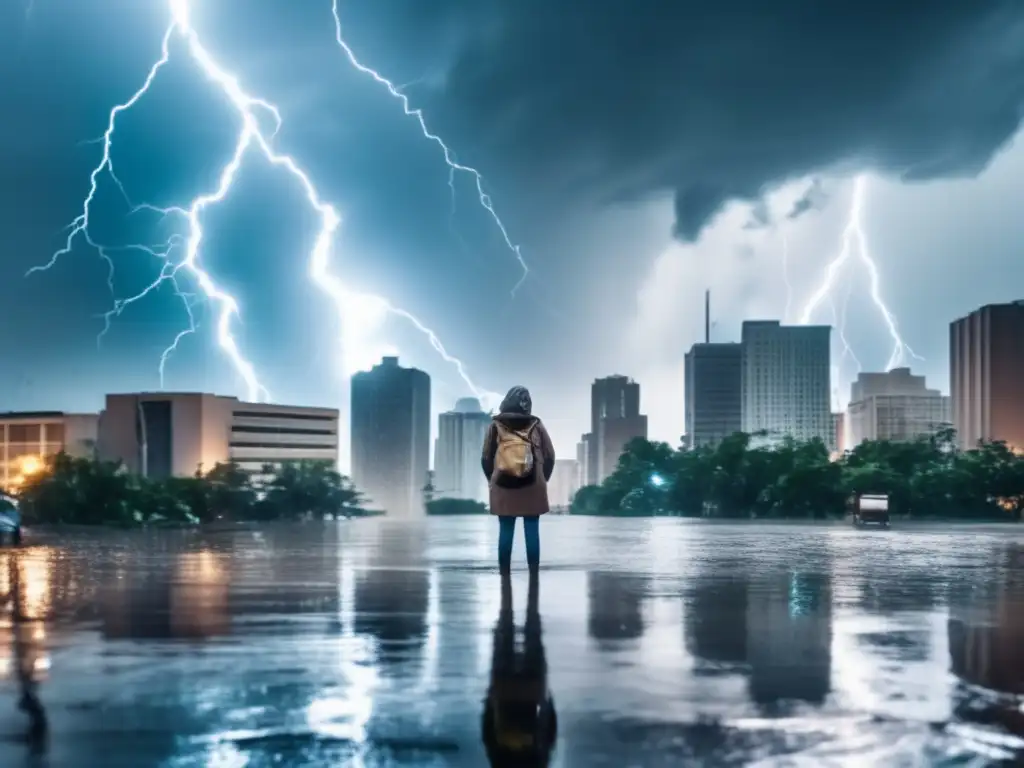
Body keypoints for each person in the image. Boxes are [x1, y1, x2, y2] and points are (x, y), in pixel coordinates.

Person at [481, 569, 557, 767]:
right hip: (505, 691)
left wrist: (548, 699)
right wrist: (490, 698)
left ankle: (521, 604)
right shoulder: (500, 761)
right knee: (506, 628)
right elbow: (488, 733)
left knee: (531, 630)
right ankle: (513, 603)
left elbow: (549, 735)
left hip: (530, 691)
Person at [481, 386, 555, 572]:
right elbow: (550, 455)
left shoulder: (495, 426)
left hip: (503, 485)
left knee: (505, 531)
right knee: (532, 531)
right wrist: (542, 478)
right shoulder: (537, 425)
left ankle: (504, 573)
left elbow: (485, 458)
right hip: (533, 484)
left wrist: (492, 479)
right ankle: (534, 573)